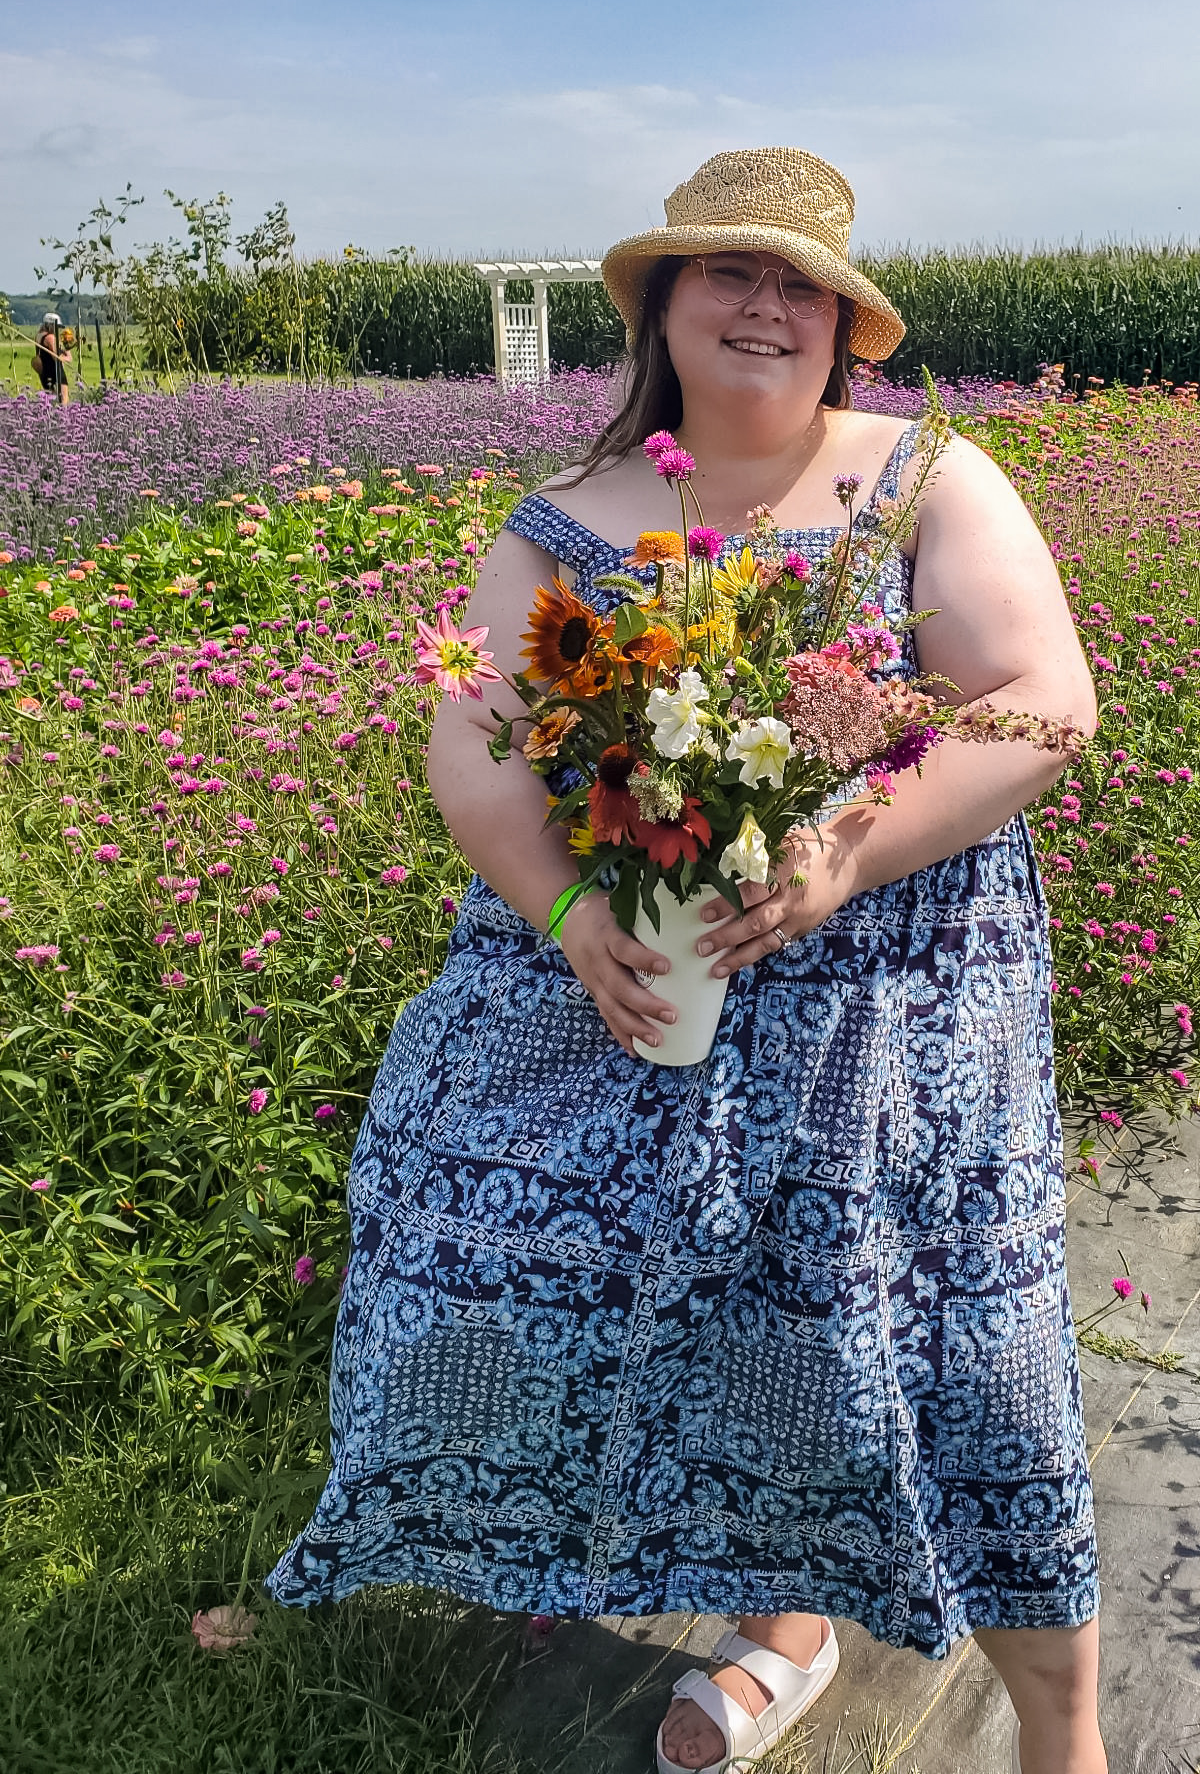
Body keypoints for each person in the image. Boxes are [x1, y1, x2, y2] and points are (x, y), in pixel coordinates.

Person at [266, 148, 1107, 1774]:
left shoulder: (928, 478)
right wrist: (572, 913)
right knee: (590, 1267)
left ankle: (1061, 1732)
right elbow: (481, 751)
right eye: (729, 269)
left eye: (801, 281)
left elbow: (1038, 700)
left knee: (967, 1369)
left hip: (895, 992)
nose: (766, 303)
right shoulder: (568, 525)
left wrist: (847, 840)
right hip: (645, 976)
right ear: (663, 301)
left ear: (846, 325)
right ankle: (786, 1617)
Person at [34, 313, 71, 404]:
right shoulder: (50, 338)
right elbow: (56, 357)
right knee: (63, 399)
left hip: (44, 371)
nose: (57, 330)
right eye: (56, 327)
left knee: (51, 398)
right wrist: (67, 350)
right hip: (55, 371)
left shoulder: (39, 336)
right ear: (51, 325)